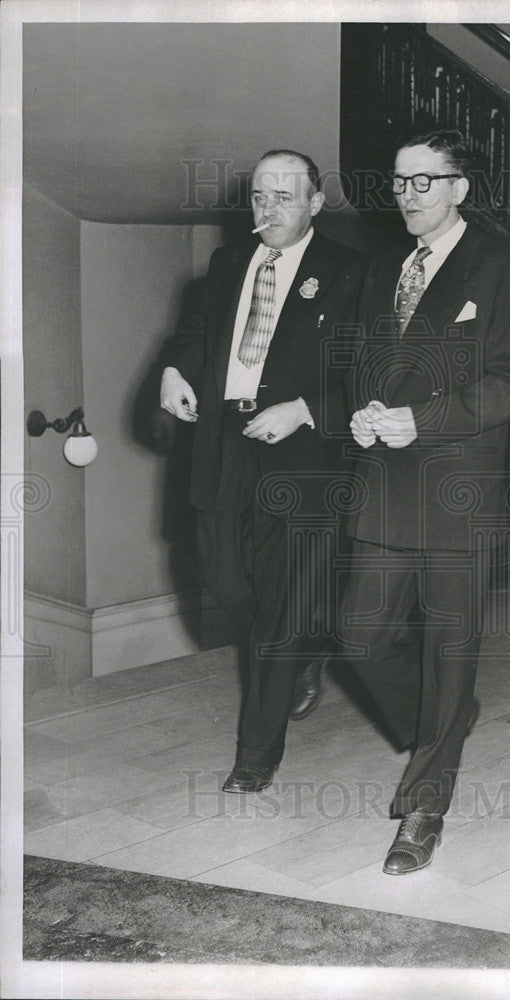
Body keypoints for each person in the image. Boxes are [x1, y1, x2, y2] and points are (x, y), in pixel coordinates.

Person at [341, 130, 510, 875]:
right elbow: (366, 364)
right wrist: (361, 411)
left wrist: (420, 420)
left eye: (424, 182)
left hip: (461, 493)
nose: (407, 196)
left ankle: (423, 809)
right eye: (399, 182)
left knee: (447, 656)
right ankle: (444, 729)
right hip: (384, 487)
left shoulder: (506, 267)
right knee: (360, 639)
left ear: (461, 188)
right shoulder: (383, 268)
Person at [160, 150, 365, 793]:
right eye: (259, 197)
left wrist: (305, 409)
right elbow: (197, 331)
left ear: (315, 202)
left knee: (280, 604)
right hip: (224, 443)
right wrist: (175, 369)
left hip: (300, 455)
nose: (268, 209)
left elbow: (372, 370)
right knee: (225, 583)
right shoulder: (227, 265)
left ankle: (257, 754)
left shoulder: (352, 273)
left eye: (285, 196)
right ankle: (305, 647)